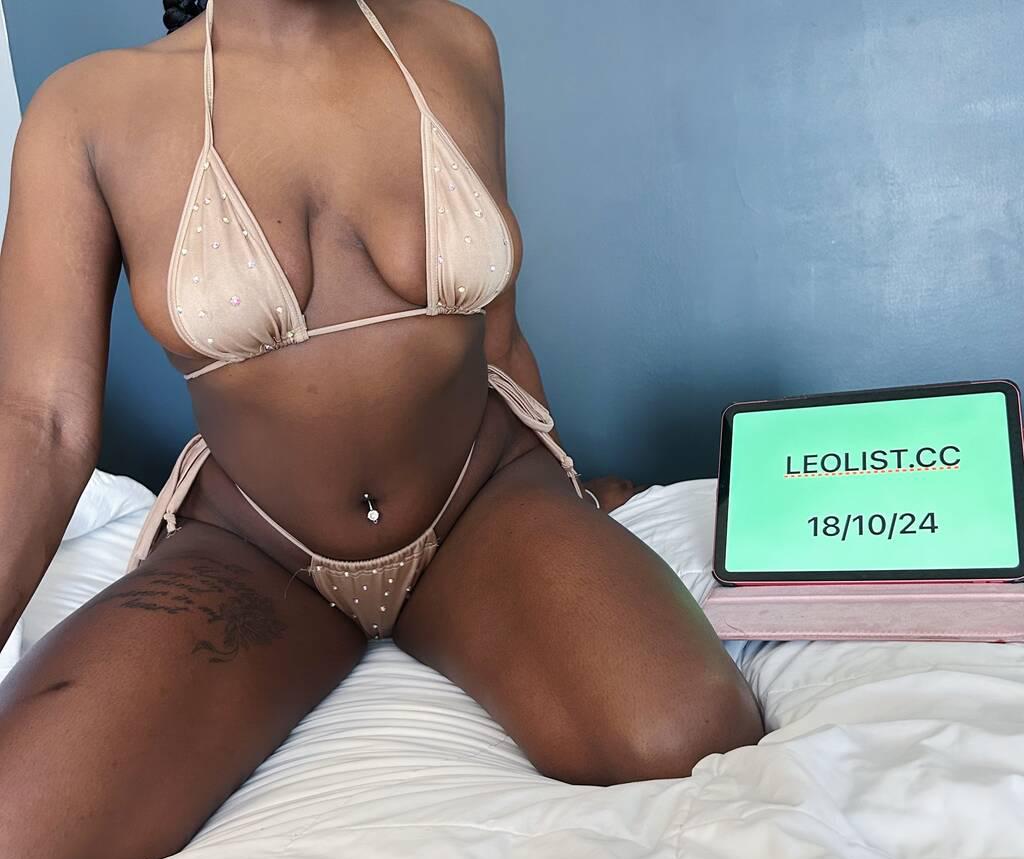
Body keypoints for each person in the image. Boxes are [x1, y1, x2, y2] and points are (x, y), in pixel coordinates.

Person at [0, 1, 764, 854]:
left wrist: (568, 499)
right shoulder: (90, 109)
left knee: (690, 736)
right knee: (18, 821)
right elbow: (41, 423)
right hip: (256, 549)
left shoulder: (455, 43)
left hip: (477, 502)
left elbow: (498, 335)